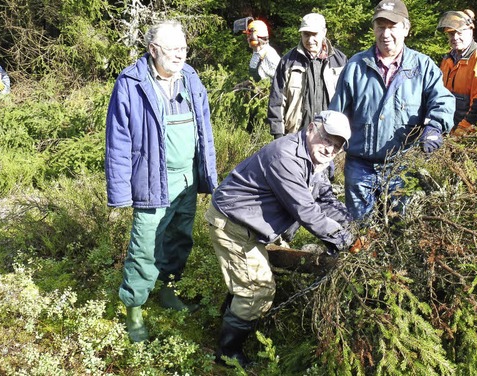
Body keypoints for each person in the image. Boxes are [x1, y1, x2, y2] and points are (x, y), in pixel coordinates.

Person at [205, 110, 355, 367]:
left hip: (253, 227)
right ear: (311, 129)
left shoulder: (319, 161)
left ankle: (223, 325)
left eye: (337, 146)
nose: (330, 150)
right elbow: (307, 211)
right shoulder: (285, 157)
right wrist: (346, 242)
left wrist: (353, 225)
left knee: (247, 283)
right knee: (257, 290)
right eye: (326, 140)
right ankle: (228, 353)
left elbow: (325, 201)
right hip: (234, 224)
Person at [105, 20, 218, 343]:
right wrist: (120, 193)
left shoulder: (192, 79)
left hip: (186, 179)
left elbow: (205, 132)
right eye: (173, 50)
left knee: (180, 239)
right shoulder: (131, 82)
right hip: (152, 180)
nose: (180, 55)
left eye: (183, 48)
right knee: (144, 248)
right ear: (153, 50)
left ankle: (169, 291)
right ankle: (135, 310)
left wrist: (207, 177)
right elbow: (118, 140)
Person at [329, 0, 455, 221]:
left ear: (406, 29)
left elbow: (442, 100)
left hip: (401, 167)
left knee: (399, 229)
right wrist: (327, 152)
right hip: (360, 166)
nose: (385, 34)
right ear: (374, 29)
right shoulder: (356, 67)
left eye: (392, 26)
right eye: (380, 26)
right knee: (360, 231)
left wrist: (435, 126)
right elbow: (335, 114)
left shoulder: (422, 67)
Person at [268, 13, 347, 138]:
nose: (310, 40)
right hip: (296, 135)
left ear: (324, 32)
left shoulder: (340, 61)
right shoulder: (288, 62)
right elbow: (276, 100)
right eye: (306, 34)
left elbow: (348, 101)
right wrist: (278, 135)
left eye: (314, 34)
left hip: (331, 136)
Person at [437, 10, 477, 136]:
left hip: (474, 133)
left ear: (471, 30)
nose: (455, 37)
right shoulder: (448, 59)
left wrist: (462, 130)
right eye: (451, 33)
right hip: (451, 130)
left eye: (459, 32)